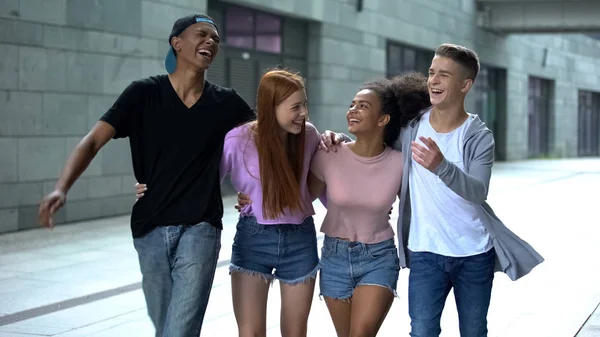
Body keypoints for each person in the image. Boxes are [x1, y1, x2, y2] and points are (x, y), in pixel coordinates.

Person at [38, 14, 255, 337]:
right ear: (176, 43)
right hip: (150, 229)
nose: (211, 42)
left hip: (201, 227)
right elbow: (93, 140)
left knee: (180, 330)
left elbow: (266, 143)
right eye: (201, 34)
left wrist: (255, 187)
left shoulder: (227, 103)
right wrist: (61, 188)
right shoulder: (142, 94)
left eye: (216, 38)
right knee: (164, 325)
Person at [319, 43, 544, 337]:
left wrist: (442, 166)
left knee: (474, 331)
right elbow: (373, 150)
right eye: (431, 73)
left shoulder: (478, 137)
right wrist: (340, 138)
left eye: (444, 75)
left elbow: (478, 191)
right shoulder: (411, 128)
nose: (434, 81)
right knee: (422, 331)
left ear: (466, 85)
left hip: (474, 253)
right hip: (425, 252)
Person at [237, 73, 432, 336]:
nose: (353, 110)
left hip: (379, 256)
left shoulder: (400, 163)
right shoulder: (329, 153)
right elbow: (299, 198)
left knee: (361, 332)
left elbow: (419, 208)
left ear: (383, 119)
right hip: (335, 257)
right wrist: (252, 195)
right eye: (352, 104)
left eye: (363, 106)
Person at [137, 69, 320, 337]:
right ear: (272, 107)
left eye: (304, 104)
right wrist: (153, 189)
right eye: (295, 107)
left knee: (295, 333)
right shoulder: (239, 139)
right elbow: (200, 179)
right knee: (250, 333)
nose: (303, 113)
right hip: (254, 239)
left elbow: (322, 178)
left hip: (300, 240)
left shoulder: (310, 136)